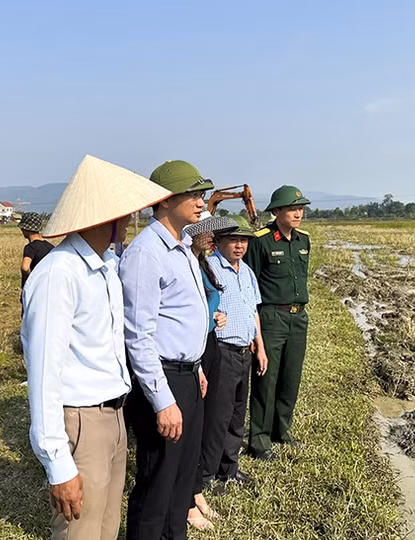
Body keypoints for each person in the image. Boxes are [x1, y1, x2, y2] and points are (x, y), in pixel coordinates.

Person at [21, 155, 171, 540]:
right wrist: (58, 464)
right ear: (108, 216)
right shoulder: (58, 275)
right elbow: (43, 375)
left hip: (112, 416)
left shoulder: (104, 267)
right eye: (127, 212)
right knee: (80, 532)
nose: (132, 219)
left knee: (106, 529)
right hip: (82, 421)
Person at [119, 160, 215, 540]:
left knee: (181, 481)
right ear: (164, 201)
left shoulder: (182, 248)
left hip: (188, 376)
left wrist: (197, 367)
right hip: (163, 380)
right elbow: (138, 335)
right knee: (157, 481)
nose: (201, 202)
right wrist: (162, 401)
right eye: (192, 194)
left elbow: (183, 320)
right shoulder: (146, 253)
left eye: (202, 194)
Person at [243, 185, 312, 461]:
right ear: (277, 211)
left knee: (290, 378)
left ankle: (281, 431)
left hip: (298, 316)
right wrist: (254, 327)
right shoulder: (260, 241)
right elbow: (250, 285)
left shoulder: (303, 240)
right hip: (271, 316)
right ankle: (258, 440)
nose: (299, 213)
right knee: (266, 378)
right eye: (293, 209)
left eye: (300, 208)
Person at [183, 212, 239, 531]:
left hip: (209, 343)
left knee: (205, 420)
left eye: (213, 234)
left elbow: (205, 303)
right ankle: (190, 499)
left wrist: (216, 315)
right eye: (205, 232)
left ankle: (197, 492)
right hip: (194, 349)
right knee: (193, 425)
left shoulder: (201, 263)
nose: (210, 237)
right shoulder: (183, 262)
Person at [205, 214, 269, 477]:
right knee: (217, 416)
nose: (239, 246)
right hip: (222, 352)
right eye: (233, 240)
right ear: (218, 241)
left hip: (245, 352)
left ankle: (229, 468)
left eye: (243, 240)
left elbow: (253, 310)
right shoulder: (209, 268)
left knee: (236, 414)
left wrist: (260, 346)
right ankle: (207, 474)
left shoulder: (247, 271)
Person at [18, 212, 54, 291]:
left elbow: (25, 267)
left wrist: (30, 278)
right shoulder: (51, 247)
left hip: (33, 289)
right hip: (47, 287)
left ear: (26, 229)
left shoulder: (30, 248)